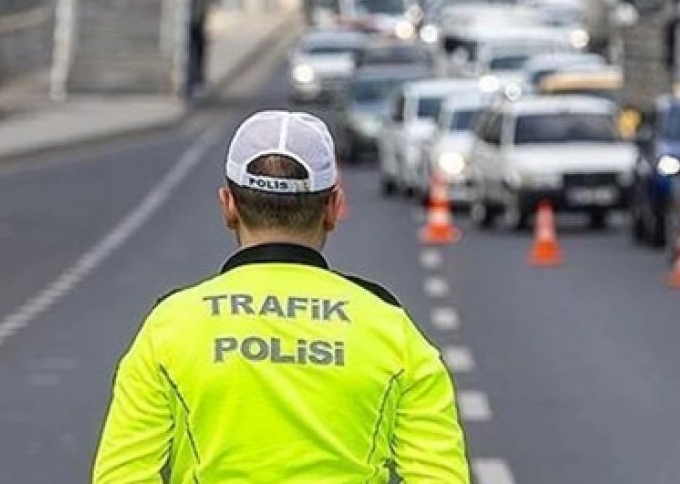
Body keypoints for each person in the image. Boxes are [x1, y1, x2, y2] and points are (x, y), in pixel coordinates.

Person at [93, 111, 469, 482]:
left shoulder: (170, 327)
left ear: (228, 205)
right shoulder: (392, 330)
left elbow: (121, 476)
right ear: (333, 208)